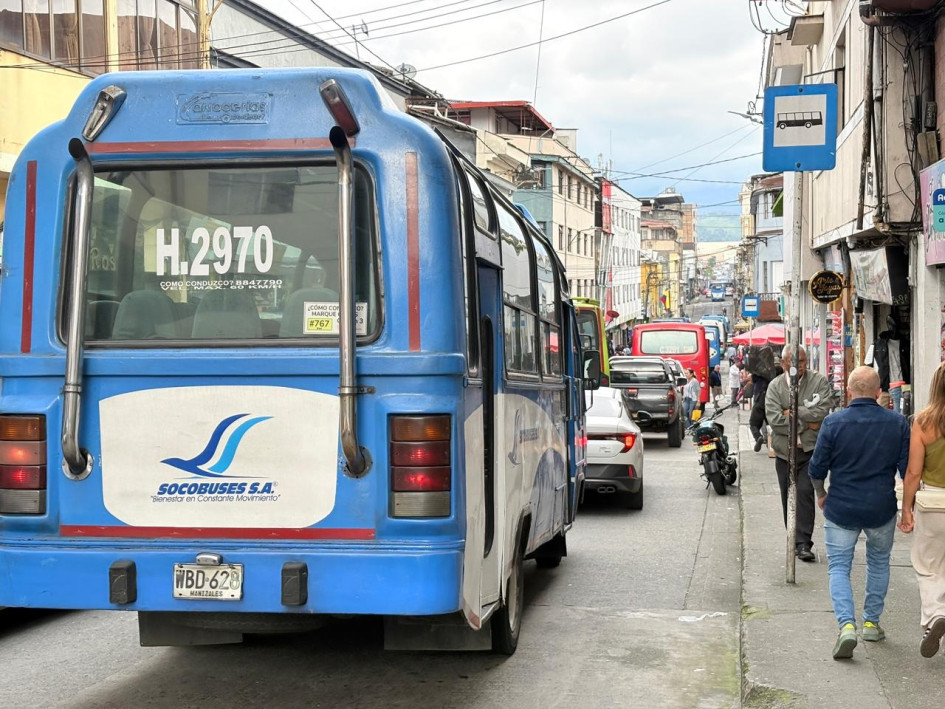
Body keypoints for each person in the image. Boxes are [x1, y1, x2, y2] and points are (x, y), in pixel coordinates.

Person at [807, 367, 910, 660]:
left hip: (841, 506)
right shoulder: (897, 423)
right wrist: (908, 509)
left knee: (839, 566)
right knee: (878, 563)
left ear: (849, 391)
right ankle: (870, 623)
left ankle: (846, 626)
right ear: (879, 393)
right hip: (881, 507)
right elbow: (907, 471)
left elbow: (816, 469)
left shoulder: (833, 422)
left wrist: (821, 494)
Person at [765, 345, 833, 563]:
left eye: (802, 361)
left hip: (809, 451)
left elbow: (823, 410)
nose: (798, 366)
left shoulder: (818, 381)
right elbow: (775, 421)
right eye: (793, 362)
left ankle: (803, 543)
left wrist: (794, 413)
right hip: (785, 452)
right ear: (783, 363)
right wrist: (808, 423)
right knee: (788, 495)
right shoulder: (775, 387)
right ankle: (793, 539)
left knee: (804, 492)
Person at [899, 361, 945, 658]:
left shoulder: (924, 422)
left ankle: (935, 615)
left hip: (934, 504)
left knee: (927, 566)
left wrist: (906, 508)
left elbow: (913, 472)